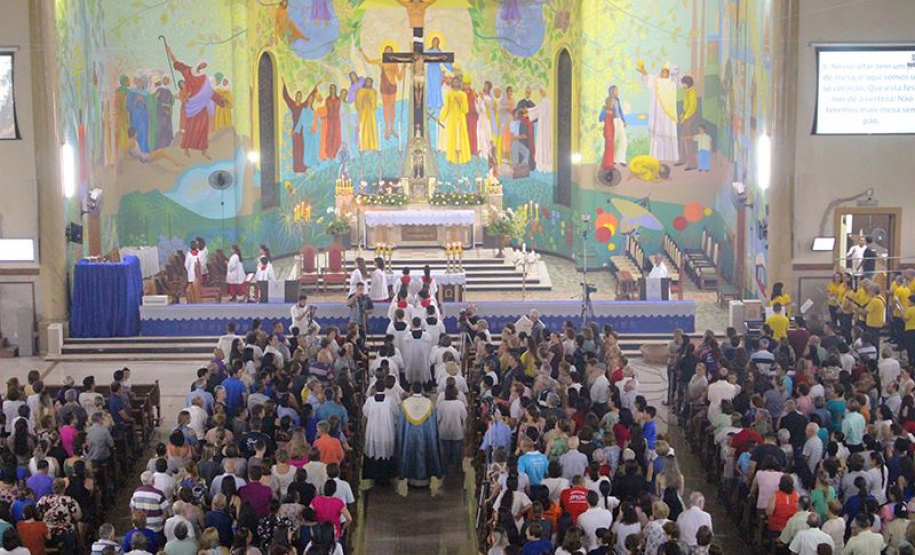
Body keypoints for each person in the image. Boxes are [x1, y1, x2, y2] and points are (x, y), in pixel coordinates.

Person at [397, 382, 443, 491]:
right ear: (422, 390)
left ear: (412, 390)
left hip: (410, 436)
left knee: (411, 453)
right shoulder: (428, 403)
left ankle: (411, 478)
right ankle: (425, 479)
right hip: (425, 436)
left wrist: (401, 437)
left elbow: (401, 424)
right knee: (425, 452)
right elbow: (433, 424)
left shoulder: (405, 404)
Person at [636, 61, 678, 162]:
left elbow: (677, 70)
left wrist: (671, 68)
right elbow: (648, 78)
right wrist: (644, 72)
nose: (664, 73)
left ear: (668, 73)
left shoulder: (672, 83)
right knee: (658, 135)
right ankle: (656, 157)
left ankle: (670, 158)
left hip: (668, 115)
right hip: (657, 112)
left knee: (668, 134)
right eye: (662, 71)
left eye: (666, 72)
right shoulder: (656, 81)